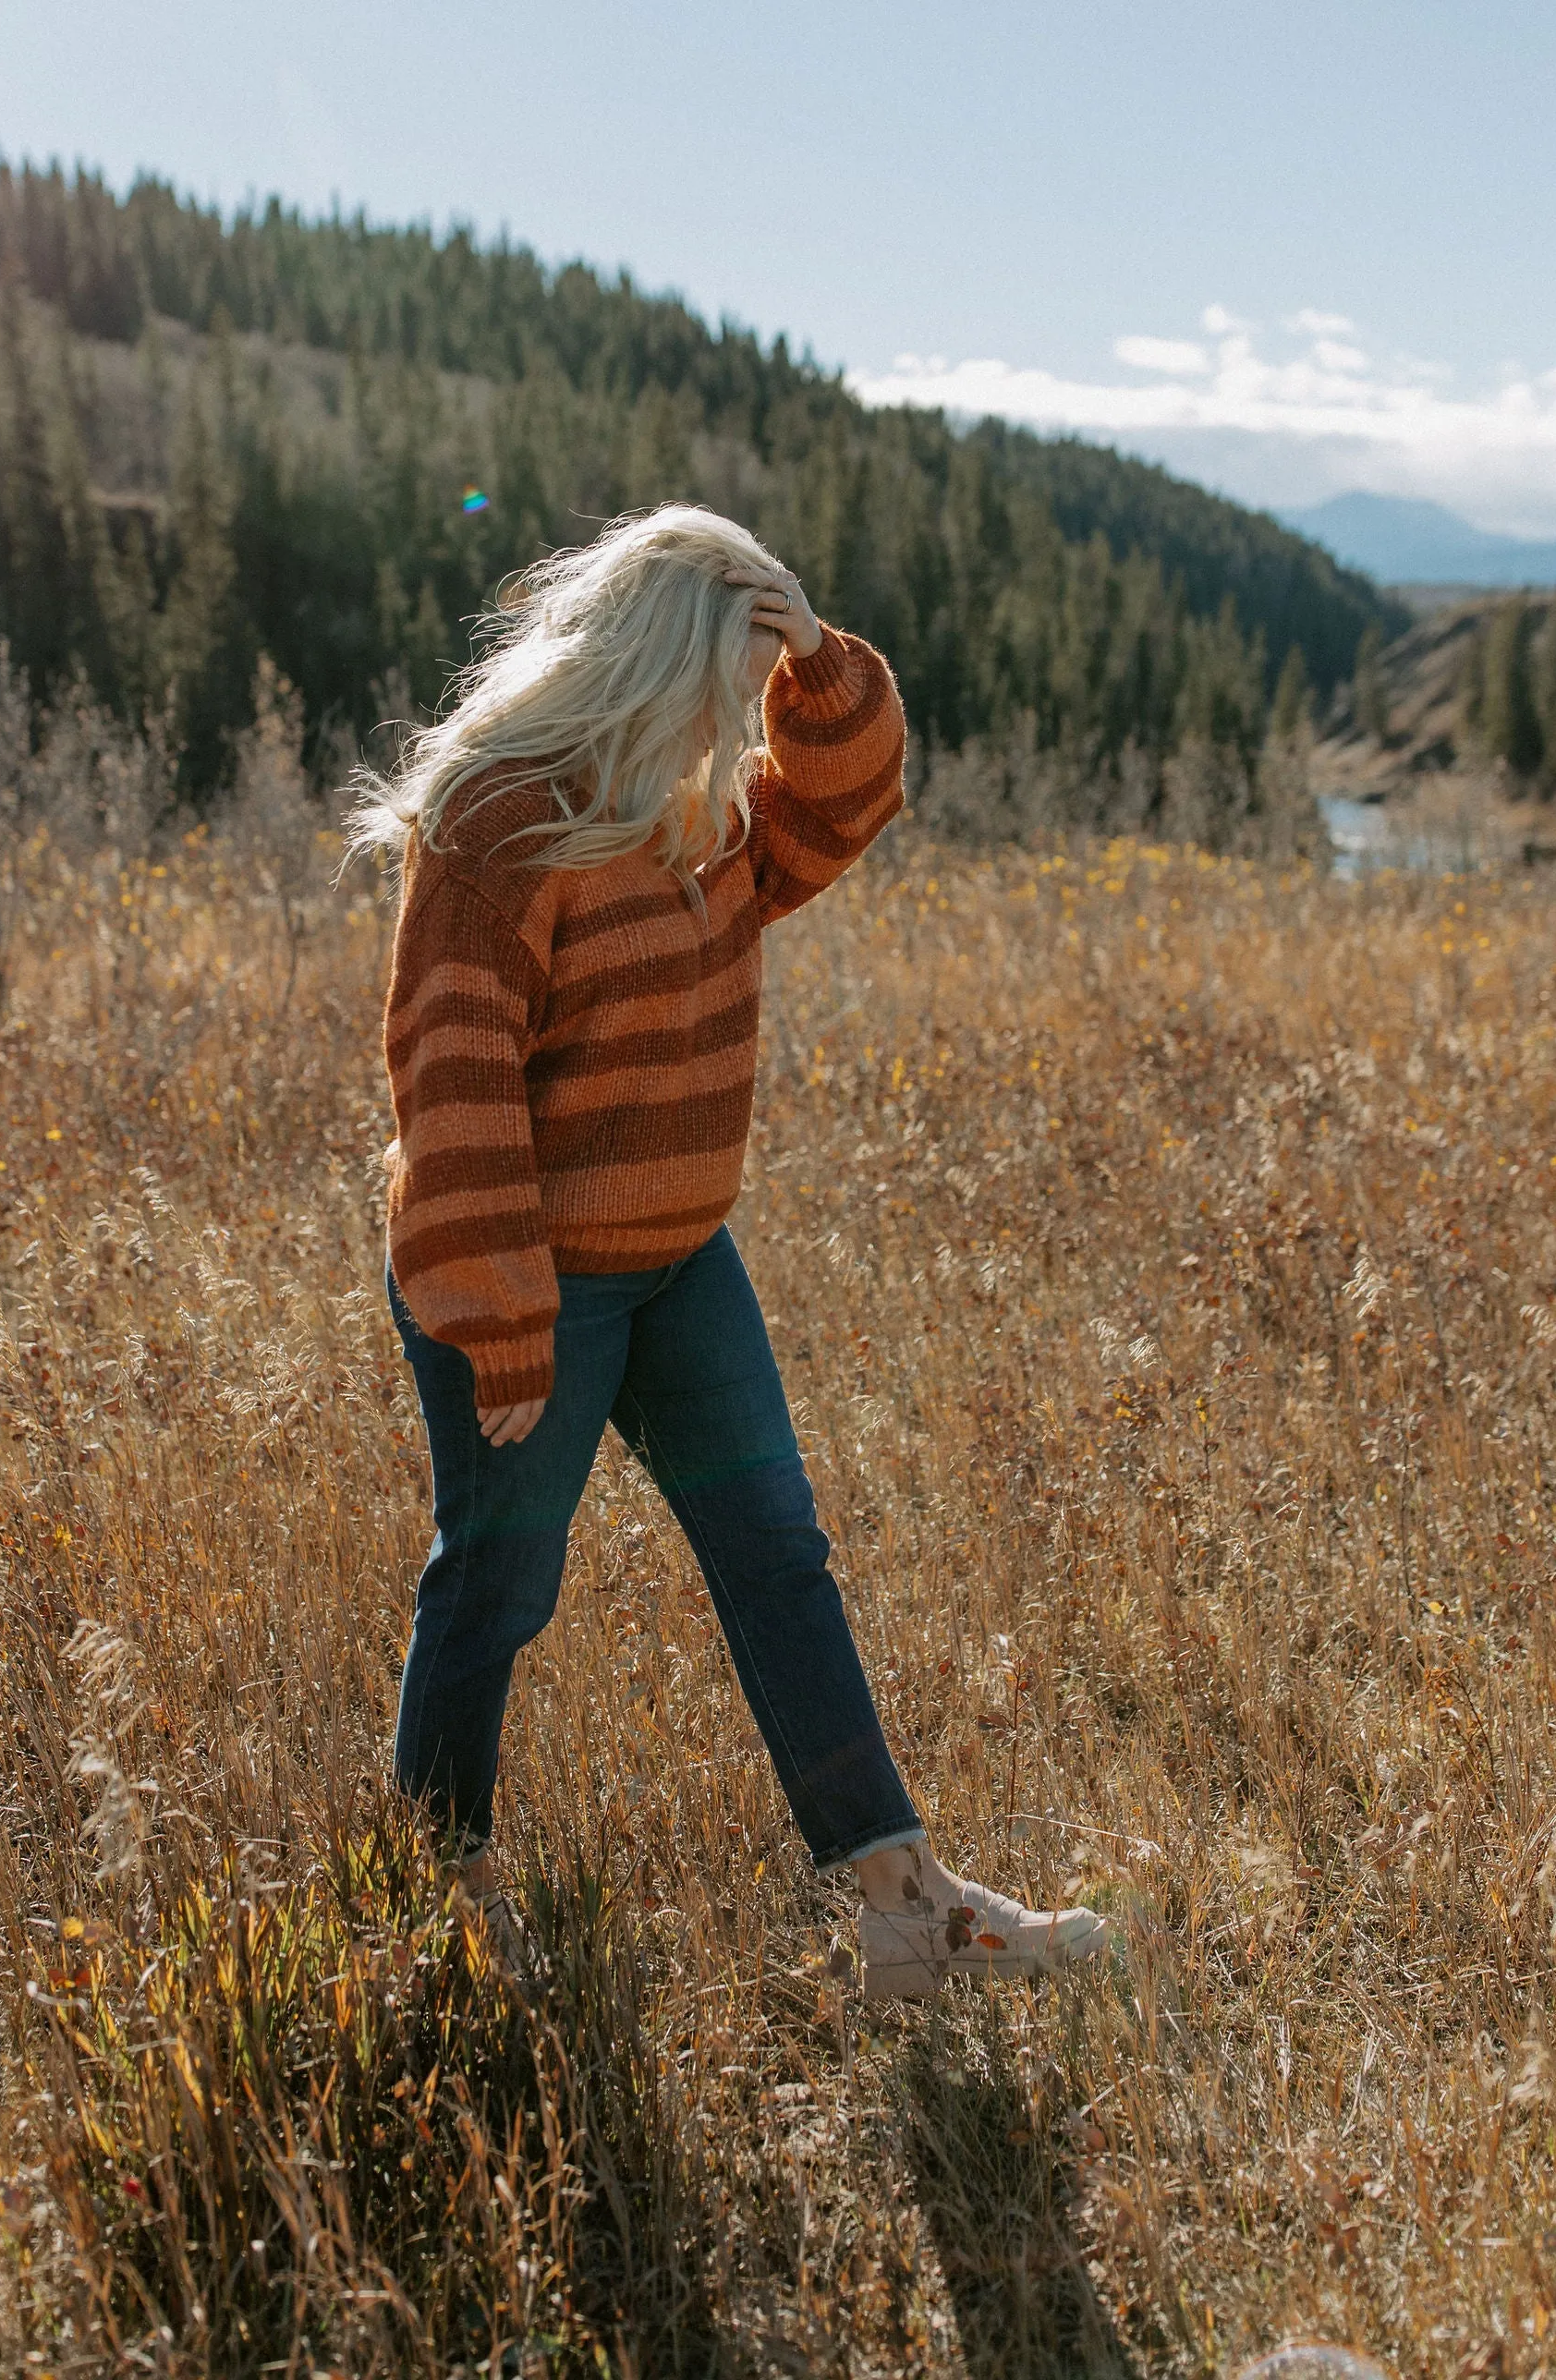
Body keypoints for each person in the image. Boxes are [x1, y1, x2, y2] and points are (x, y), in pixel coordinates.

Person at [349, 504, 1107, 1999]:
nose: (740, 719)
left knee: (779, 1561)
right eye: (732, 679)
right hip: (533, 1284)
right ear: (659, 667)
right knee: (497, 1586)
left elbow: (844, 800)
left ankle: (908, 1907)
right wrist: (501, 1319)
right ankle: (438, 1898)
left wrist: (818, 657)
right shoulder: (504, 818)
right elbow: (453, 1074)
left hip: (684, 1260)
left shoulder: (708, 819)